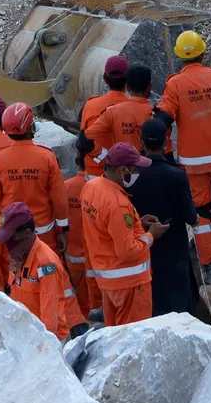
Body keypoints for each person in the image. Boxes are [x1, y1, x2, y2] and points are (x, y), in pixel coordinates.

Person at [156, 30, 211, 271]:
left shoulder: (174, 84)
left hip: (194, 163)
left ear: (179, 57)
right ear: (203, 51)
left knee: (202, 210)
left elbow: (163, 119)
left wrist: (167, 154)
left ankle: (208, 262)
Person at [80, 142, 170, 326]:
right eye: (134, 168)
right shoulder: (118, 205)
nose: (137, 172)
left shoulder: (91, 187)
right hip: (130, 284)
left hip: (109, 282)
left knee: (115, 337)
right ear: (122, 170)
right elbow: (127, 251)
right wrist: (151, 235)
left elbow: (105, 228)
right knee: (133, 340)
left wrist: (138, 222)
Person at [127, 119, 200, 315]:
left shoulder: (132, 178)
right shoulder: (177, 175)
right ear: (166, 142)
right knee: (181, 310)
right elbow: (190, 216)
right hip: (175, 252)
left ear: (141, 143)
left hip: (144, 252)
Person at [0, 102, 70, 254]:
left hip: (11, 234)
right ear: (30, 128)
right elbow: (59, 199)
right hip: (43, 233)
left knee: (14, 274)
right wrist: (62, 230)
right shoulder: (47, 157)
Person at [0, 201, 88, 341]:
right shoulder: (18, 257)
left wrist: (41, 349)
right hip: (27, 336)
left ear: (27, 233)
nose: (8, 243)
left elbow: (49, 319)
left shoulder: (45, 264)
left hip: (47, 342)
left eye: (12, 237)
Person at [82, 64, 170, 160]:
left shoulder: (112, 111)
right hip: (148, 170)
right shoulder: (157, 115)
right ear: (149, 87)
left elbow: (84, 140)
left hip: (122, 170)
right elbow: (166, 149)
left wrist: (106, 156)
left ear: (127, 87)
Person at [78, 56, 130, 179]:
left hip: (94, 174)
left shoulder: (91, 105)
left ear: (105, 80)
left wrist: (102, 155)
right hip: (125, 174)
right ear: (128, 80)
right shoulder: (135, 108)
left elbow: (83, 141)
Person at [63, 171, 96, 314]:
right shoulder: (100, 188)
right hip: (98, 257)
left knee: (80, 298)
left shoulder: (66, 186)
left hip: (73, 255)